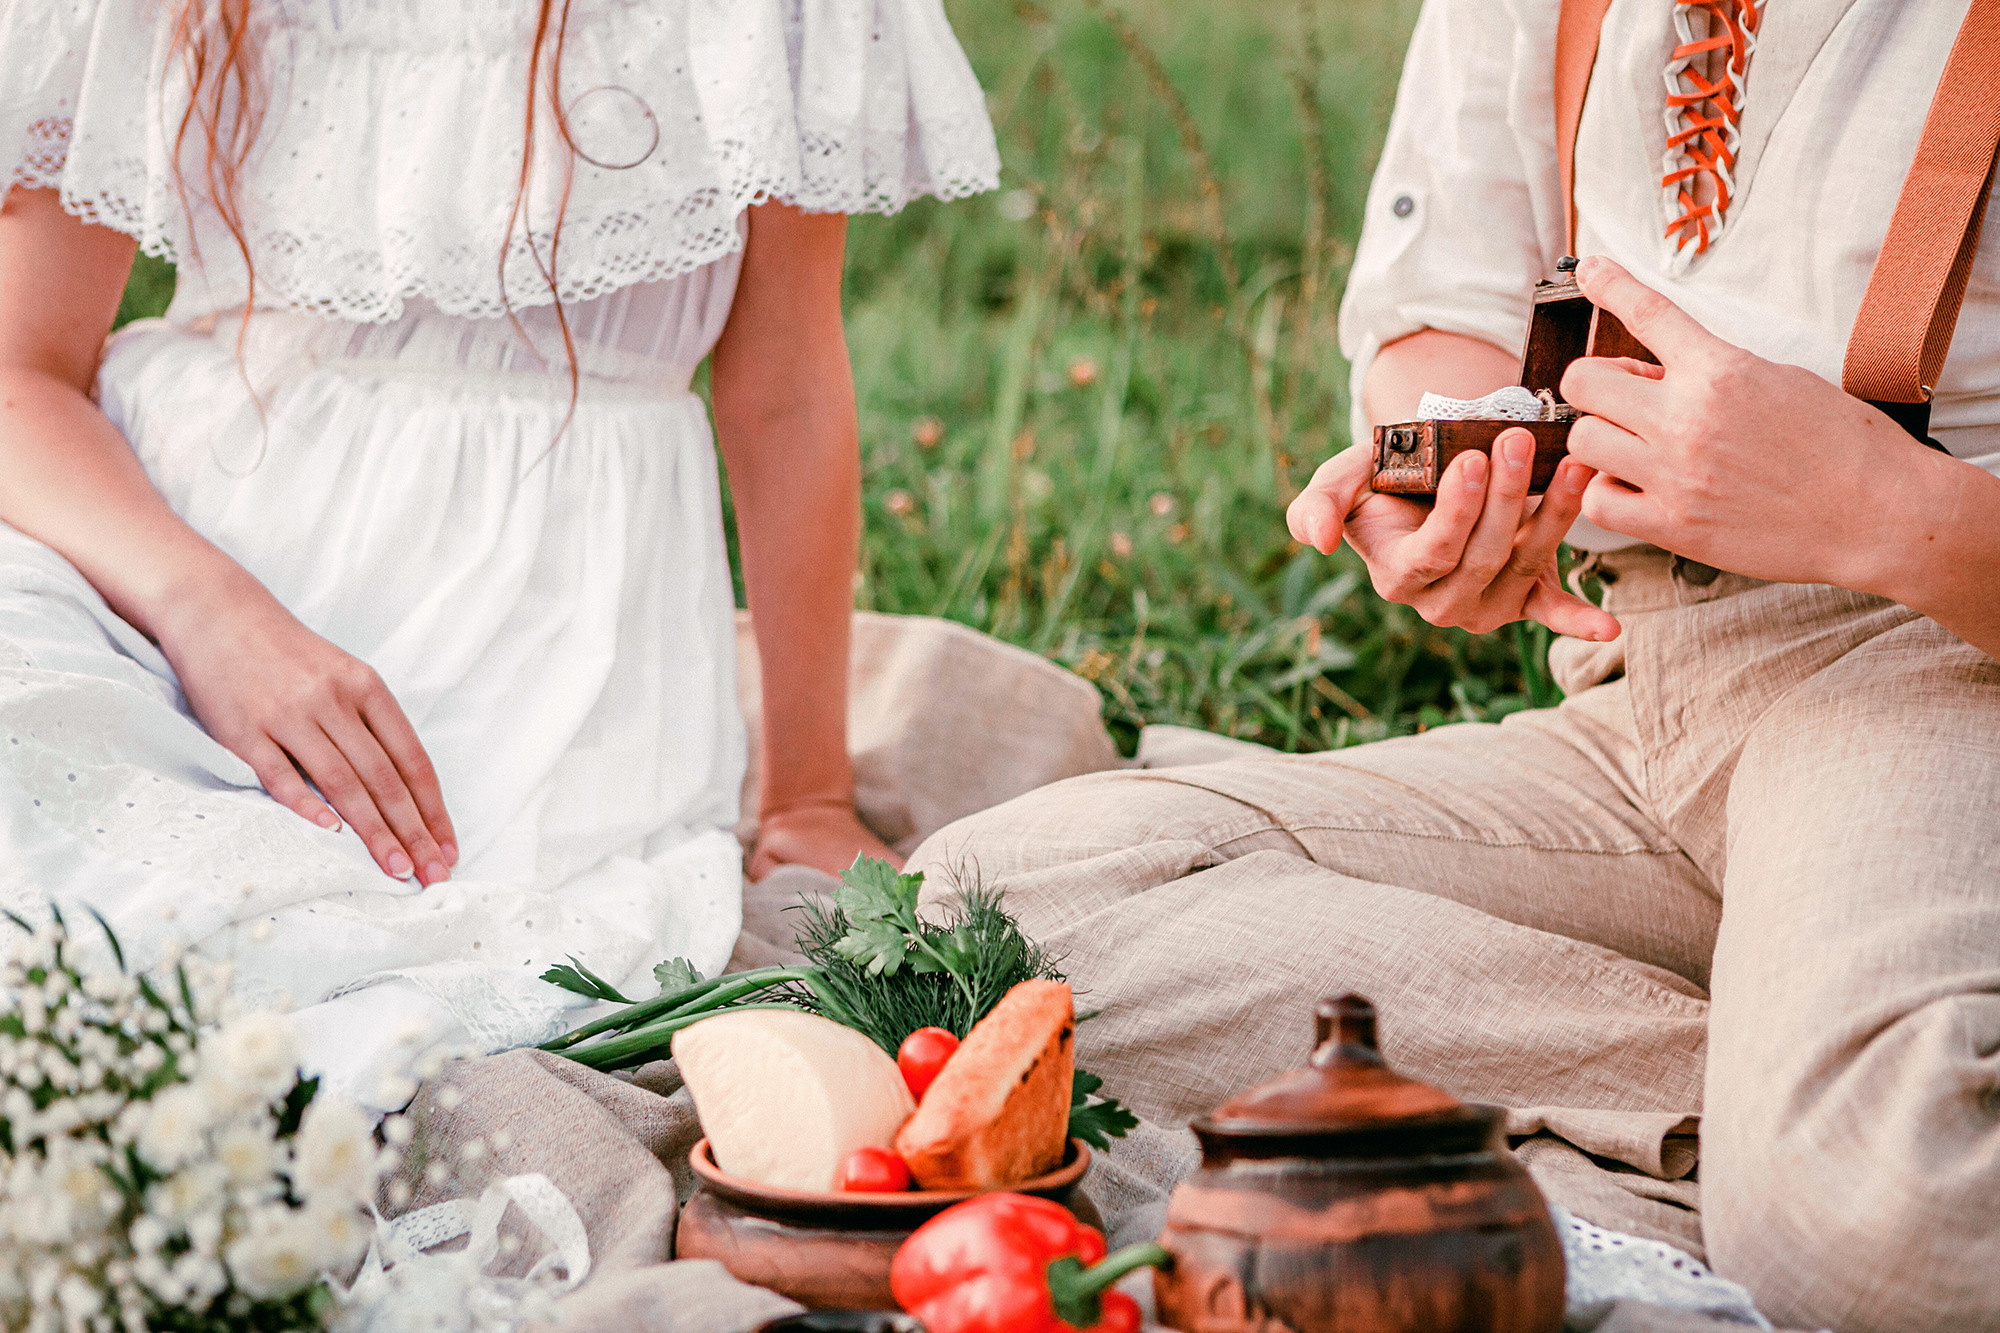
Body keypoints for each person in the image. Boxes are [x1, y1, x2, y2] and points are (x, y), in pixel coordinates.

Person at [908, 3, 2000, 1330]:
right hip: (1632, 688)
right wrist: (1447, 478)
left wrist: (1899, 519)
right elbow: (1451, 318)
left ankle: (1834, 1115)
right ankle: (1809, 1088)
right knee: (991, 917)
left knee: (1879, 1228)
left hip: (1938, 661)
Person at [0, 0, 998, 1103]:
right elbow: (18, 374)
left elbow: (786, 391)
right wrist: (209, 618)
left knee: (327, 978)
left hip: (536, 656)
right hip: (152, 575)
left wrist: (807, 792)